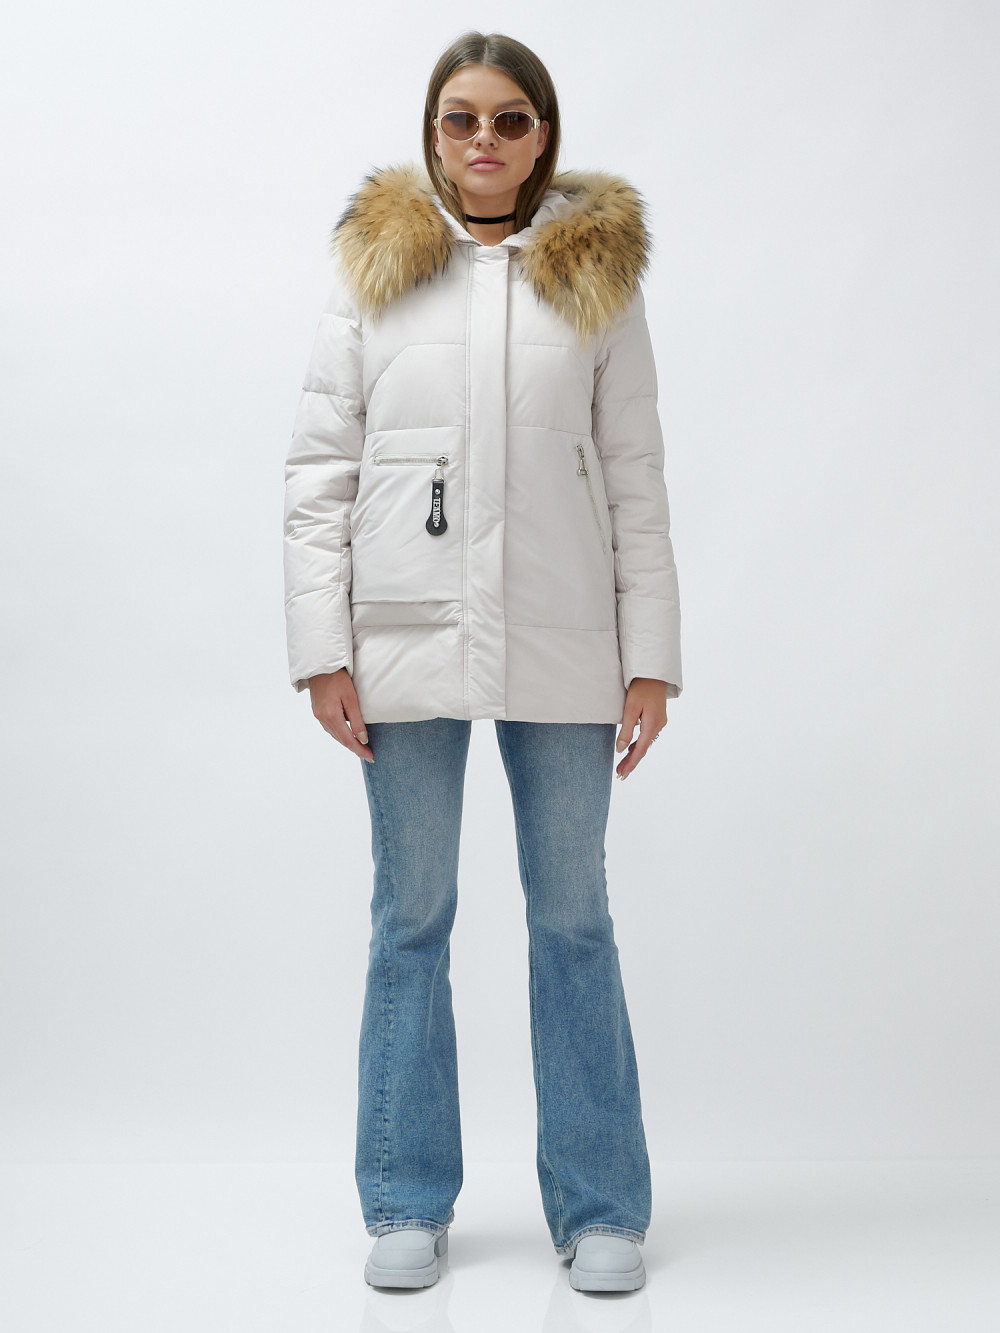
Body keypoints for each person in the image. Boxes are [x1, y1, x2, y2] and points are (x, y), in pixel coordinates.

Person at [282, 30, 682, 1293]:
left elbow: (635, 478)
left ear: (541, 134)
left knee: (573, 918)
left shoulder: (595, 280)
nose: (484, 140)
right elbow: (318, 473)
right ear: (433, 133)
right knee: (410, 917)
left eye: (510, 119)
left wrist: (651, 659)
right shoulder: (376, 274)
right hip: (405, 639)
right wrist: (322, 648)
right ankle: (405, 1196)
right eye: (461, 118)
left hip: (565, 640)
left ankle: (601, 1205)